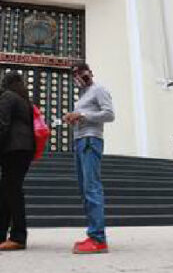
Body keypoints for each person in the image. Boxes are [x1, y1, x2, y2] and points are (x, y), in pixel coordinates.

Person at [0, 72, 35, 251]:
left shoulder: (7, 96)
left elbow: (1, 124)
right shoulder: (23, 99)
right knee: (6, 192)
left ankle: (19, 237)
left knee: (12, 192)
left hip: (15, 150)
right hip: (22, 150)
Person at [64, 63, 114, 255]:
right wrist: (74, 118)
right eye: (75, 75)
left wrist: (82, 114)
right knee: (85, 189)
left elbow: (109, 115)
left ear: (90, 72)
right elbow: (86, 116)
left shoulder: (99, 89)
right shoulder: (82, 95)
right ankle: (93, 234)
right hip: (80, 141)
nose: (79, 77)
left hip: (91, 141)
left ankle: (98, 239)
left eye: (82, 73)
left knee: (92, 188)